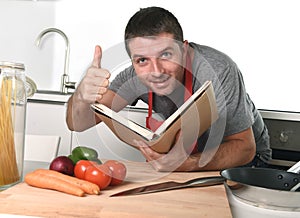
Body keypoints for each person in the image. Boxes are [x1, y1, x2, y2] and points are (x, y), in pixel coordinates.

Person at [66, 6, 272, 172]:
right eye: (142, 60)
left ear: (183, 49)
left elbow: (245, 148)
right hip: (189, 163)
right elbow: (78, 124)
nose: (156, 71)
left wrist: (189, 163)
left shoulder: (218, 69)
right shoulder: (133, 76)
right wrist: (82, 96)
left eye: (165, 55)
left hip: (248, 164)